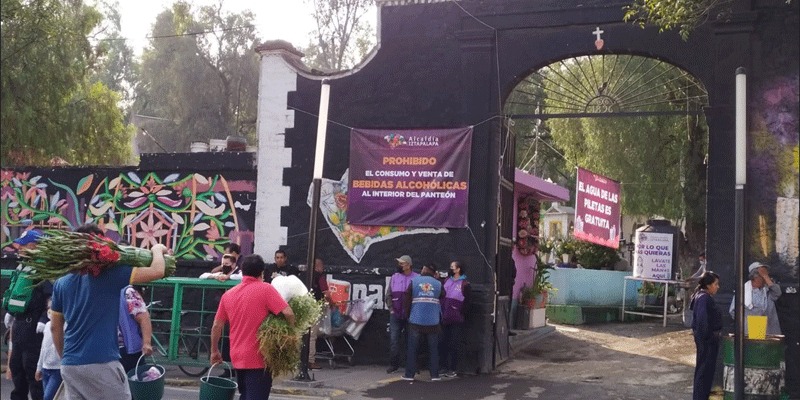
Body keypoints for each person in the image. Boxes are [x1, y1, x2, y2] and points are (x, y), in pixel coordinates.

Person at [50, 223, 168, 400]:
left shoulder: (61, 282)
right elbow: (157, 270)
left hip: (70, 365)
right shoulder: (110, 274)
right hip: (102, 363)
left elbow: (55, 327)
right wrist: (157, 249)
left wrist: (66, 358)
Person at [211, 254, 296, 400]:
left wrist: (214, 350)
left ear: (242, 271)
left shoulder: (228, 295)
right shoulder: (266, 289)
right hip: (260, 356)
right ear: (262, 273)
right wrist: (290, 334)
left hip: (237, 356)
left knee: (245, 395)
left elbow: (216, 326)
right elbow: (288, 313)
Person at [9, 229, 51, 400]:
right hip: (19, 326)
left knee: (32, 371)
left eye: (24, 245)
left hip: (34, 328)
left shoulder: (44, 270)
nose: (20, 248)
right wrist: (10, 313)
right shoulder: (23, 268)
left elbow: (51, 299)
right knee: (16, 368)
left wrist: (44, 319)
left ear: (35, 246)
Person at [402, 263, 444, 382]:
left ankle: (409, 374)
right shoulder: (438, 284)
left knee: (412, 349)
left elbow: (407, 300)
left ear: (425, 270)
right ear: (434, 272)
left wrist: (408, 315)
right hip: (433, 321)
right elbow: (443, 295)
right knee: (433, 349)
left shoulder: (414, 281)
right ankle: (435, 375)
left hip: (416, 320)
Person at [690, 271, 722, 400]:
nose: (717, 287)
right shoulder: (704, 298)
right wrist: (709, 337)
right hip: (707, 341)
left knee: (705, 371)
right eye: (715, 284)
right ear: (708, 285)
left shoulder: (702, 296)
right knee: (704, 372)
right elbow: (702, 320)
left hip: (705, 339)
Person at [385, 255, 419, 374]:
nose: (399, 265)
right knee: (394, 340)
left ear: (409, 265)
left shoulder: (417, 278)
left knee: (411, 340)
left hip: (411, 315)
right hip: (396, 314)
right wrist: (391, 309)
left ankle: (411, 365)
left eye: (402, 263)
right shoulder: (394, 277)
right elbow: (388, 294)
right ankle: (394, 364)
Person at [728, 262, 782, 335]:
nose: (766, 278)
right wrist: (745, 322)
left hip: (768, 330)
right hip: (750, 331)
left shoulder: (768, 290)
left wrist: (766, 277)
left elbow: (777, 293)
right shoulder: (743, 291)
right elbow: (733, 311)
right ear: (755, 277)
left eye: (767, 275)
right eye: (763, 275)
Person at [439, 261, 470, 378]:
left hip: (456, 319)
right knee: (443, 342)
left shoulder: (465, 284)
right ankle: (443, 367)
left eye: (452, 267)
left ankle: (452, 368)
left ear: (458, 269)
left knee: (454, 343)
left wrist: (460, 313)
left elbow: (467, 302)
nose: (450, 269)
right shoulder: (446, 281)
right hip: (444, 316)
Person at [118, 285, 153, 373]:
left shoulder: (128, 292)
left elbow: (144, 318)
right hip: (107, 350)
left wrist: (146, 343)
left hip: (126, 350)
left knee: (133, 377)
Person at [35, 299, 62, 400]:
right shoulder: (46, 326)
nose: (49, 311)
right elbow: (43, 348)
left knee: (48, 397)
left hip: (58, 368)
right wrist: (39, 368)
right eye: (48, 308)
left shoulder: (65, 326)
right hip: (45, 367)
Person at [308, 258, 330, 370]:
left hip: (303, 307)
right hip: (314, 308)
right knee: (312, 335)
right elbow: (326, 294)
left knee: (303, 335)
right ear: (318, 266)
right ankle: (310, 361)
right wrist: (332, 304)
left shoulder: (304, 275)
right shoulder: (320, 277)